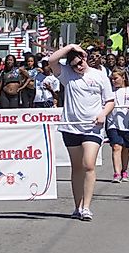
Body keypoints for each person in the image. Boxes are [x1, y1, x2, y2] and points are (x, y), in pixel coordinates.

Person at [49, 43, 114, 222]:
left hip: (92, 127)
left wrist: (103, 113)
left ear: (85, 59)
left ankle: (87, 206)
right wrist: (71, 46)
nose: (79, 67)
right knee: (77, 167)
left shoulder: (99, 75)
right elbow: (52, 60)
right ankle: (78, 206)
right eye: (74, 65)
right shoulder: (67, 75)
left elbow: (110, 100)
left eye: (80, 63)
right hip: (71, 126)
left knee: (89, 164)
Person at [107, 68, 129, 182]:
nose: (113, 81)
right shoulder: (109, 92)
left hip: (127, 124)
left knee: (125, 149)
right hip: (113, 123)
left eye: (116, 78)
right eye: (112, 79)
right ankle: (116, 173)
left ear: (123, 78)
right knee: (116, 147)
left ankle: (124, 171)